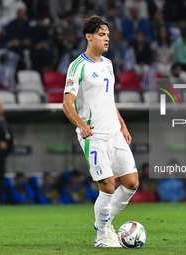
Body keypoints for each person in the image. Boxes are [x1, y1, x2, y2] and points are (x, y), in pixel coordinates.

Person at [62, 16, 139, 248]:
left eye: (107, 34)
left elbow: (109, 100)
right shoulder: (78, 66)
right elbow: (67, 103)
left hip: (115, 132)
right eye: (101, 34)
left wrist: (122, 125)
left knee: (132, 183)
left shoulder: (108, 64)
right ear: (89, 36)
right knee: (107, 185)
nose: (107, 38)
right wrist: (81, 126)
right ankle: (102, 236)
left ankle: (104, 223)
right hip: (94, 135)